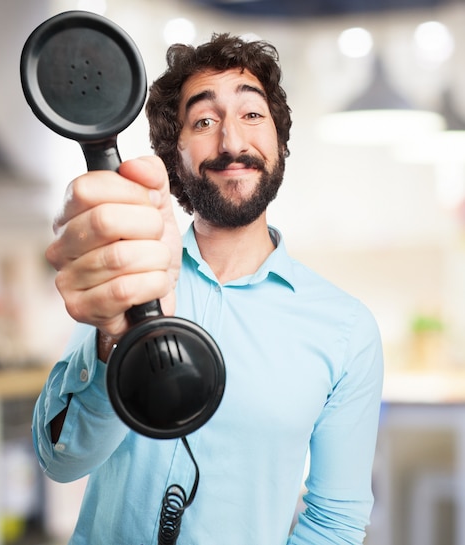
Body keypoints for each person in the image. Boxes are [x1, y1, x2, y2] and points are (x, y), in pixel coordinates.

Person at [32, 32, 384, 545]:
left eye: (251, 115)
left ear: (280, 143)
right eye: (203, 121)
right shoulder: (132, 275)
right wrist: (113, 341)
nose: (232, 142)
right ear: (174, 156)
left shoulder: (347, 330)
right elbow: (60, 462)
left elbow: (335, 522)